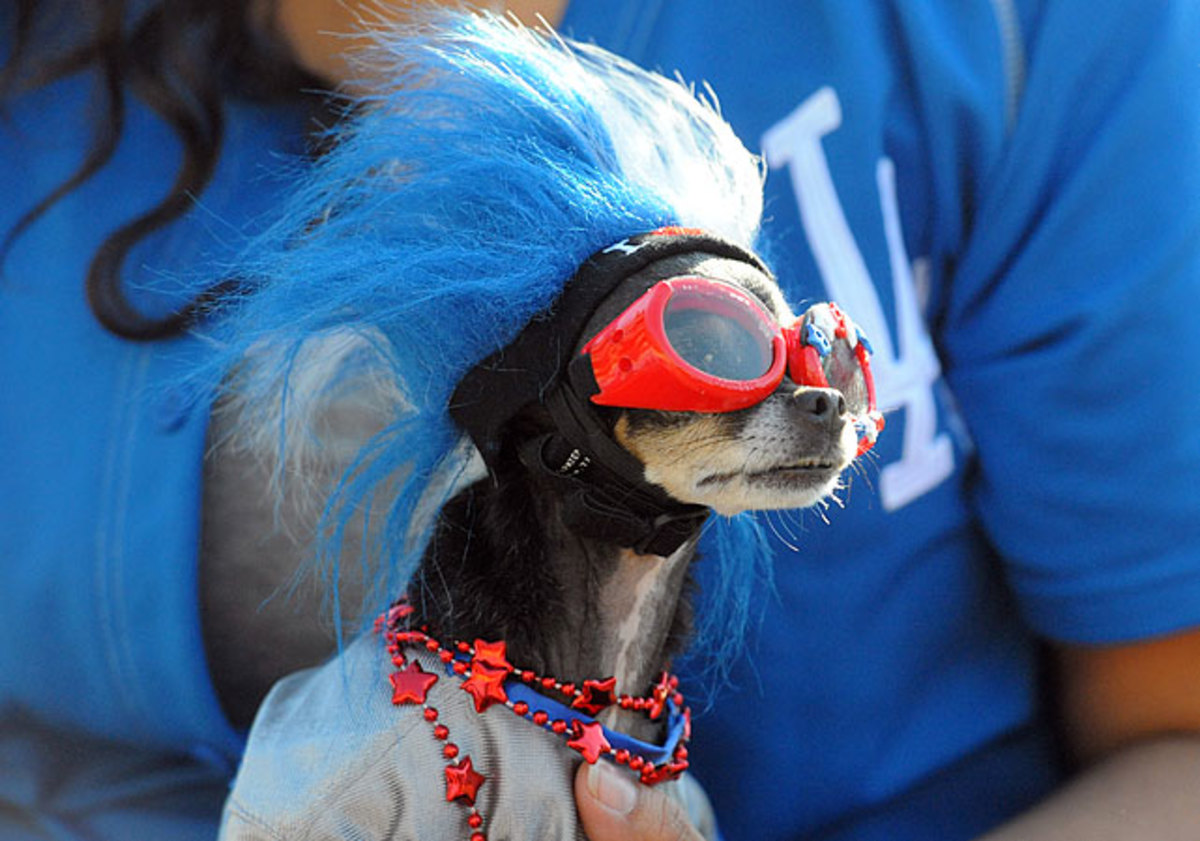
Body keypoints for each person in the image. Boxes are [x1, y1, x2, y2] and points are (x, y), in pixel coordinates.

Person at [3, 3, 1200, 841]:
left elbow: (1175, 742)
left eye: (811, 358)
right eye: (716, 353)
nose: (812, 397)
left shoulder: (1018, 33)